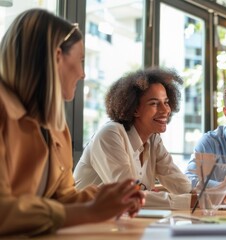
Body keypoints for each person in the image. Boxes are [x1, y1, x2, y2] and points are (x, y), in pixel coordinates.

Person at [0, 9, 144, 237]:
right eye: (80, 60)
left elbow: (61, 198)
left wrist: (109, 196)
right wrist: (89, 211)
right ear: (57, 57)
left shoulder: (55, 126)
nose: (83, 73)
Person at [73, 68, 195, 209]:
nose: (165, 110)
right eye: (154, 103)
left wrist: (204, 195)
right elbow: (128, 195)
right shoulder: (110, 134)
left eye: (166, 102)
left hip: (119, 221)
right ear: (135, 109)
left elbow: (179, 183)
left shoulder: (153, 139)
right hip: (84, 222)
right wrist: (190, 201)